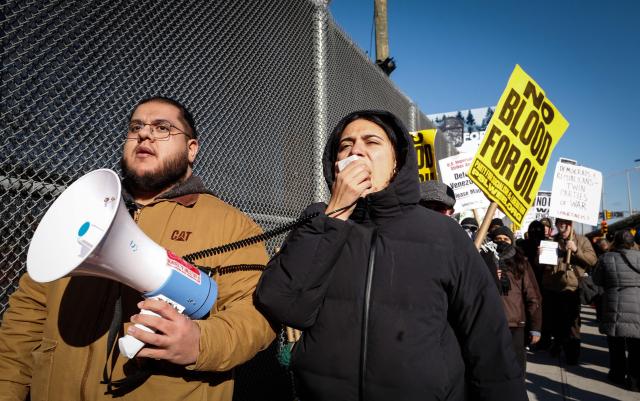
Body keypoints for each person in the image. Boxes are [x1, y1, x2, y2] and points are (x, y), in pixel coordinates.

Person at [0, 96, 275, 400]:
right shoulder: (81, 211)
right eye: (136, 127)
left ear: (191, 149)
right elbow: (26, 319)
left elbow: (255, 315)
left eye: (162, 128)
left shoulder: (231, 225)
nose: (144, 134)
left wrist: (200, 342)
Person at [255, 110, 527, 401]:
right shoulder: (319, 224)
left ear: (397, 161)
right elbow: (282, 304)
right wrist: (335, 215)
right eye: (345, 146)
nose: (356, 150)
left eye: (371, 142)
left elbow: (488, 342)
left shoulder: (444, 235)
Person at [484, 226, 542, 376]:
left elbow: (533, 296)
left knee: (516, 370)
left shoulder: (521, 262)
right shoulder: (484, 260)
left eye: (505, 239)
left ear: (512, 241)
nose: (501, 242)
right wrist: (490, 275)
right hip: (490, 325)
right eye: (497, 239)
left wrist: (535, 327)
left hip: (515, 326)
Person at [541, 217, 597, 364]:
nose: (563, 225)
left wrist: (576, 250)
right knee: (556, 322)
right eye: (560, 222)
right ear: (557, 225)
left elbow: (593, 260)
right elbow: (541, 265)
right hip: (553, 288)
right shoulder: (551, 241)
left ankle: (572, 354)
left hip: (572, 288)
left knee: (572, 323)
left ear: (572, 224)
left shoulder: (582, 240)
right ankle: (558, 344)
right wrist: (540, 255)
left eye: (566, 222)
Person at [593, 230, 640, 391]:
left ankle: (617, 374)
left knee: (616, 343)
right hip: (637, 303)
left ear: (615, 242)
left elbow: (596, 280)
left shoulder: (606, 258)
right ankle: (635, 381)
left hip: (614, 302)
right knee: (636, 345)